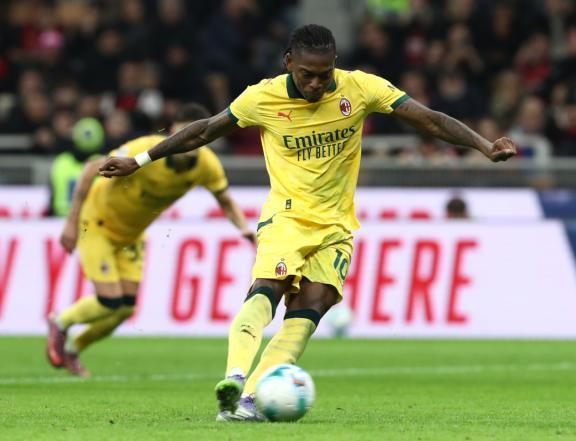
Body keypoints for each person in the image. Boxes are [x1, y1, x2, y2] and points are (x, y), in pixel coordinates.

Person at [98, 24, 517, 420]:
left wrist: (484, 145)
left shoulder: (362, 88)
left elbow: (429, 119)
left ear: (335, 64)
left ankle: (248, 399)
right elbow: (204, 131)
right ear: (288, 63)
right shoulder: (261, 98)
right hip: (287, 216)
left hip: (336, 226)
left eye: (324, 74)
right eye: (306, 74)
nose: (316, 83)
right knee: (268, 288)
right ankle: (235, 376)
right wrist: (140, 160)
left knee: (311, 309)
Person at [46, 103, 255, 377]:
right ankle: (60, 321)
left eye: (196, 138)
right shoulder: (144, 149)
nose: (190, 144)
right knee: (110, 301)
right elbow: (90, 170)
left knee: (125, 308)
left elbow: (225, 200)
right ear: (173, 134)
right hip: (97, 223)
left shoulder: (207, 165)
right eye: (184, 135)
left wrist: (244, 229)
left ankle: (74, 348)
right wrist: (71, 223)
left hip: (131, 235)